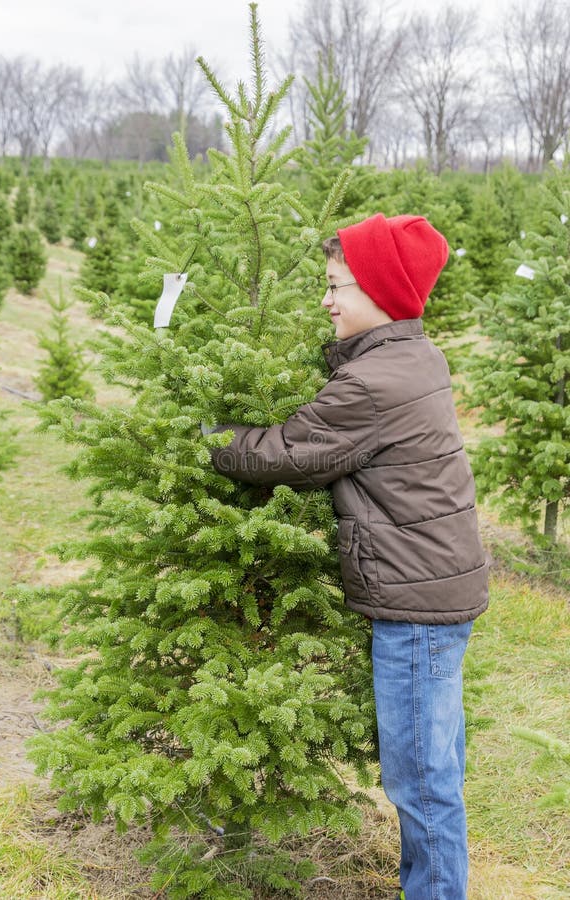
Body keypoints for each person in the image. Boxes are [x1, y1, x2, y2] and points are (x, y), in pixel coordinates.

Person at [207, 212, 490, 900]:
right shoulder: (414, 355)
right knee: (432, 776)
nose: (326, 300)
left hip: (417, 606)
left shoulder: (374, 384)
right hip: (436, 591)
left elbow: (285, 451)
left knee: (421, 785)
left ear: (382, 296)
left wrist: (204, 438)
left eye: (338, 286)